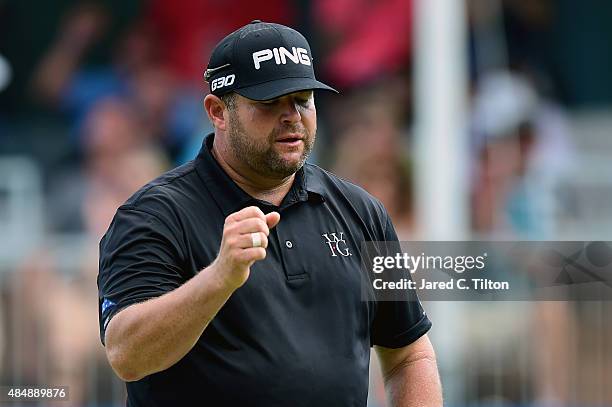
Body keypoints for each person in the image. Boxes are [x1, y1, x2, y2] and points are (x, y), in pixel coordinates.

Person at [97, 20, 441, 406]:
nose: (292, 115)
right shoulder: (154, 215)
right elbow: (127, 355)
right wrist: (219, 278)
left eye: (302, 99)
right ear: (217, 111)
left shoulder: (362, 212)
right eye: (269, 102)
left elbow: (410, 353)